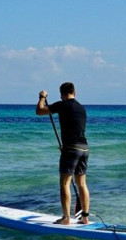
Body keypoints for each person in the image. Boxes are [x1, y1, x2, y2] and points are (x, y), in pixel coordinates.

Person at [35, 82, 91, 225]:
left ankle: (66, 218)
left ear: (62, 94)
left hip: (71, 149)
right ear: (75, 92)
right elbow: (74, 127)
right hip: (84, 148)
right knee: (82, 184)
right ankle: (85, 218)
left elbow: (40, 111)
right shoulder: (81, 108)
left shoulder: (63, 104)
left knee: (65, 183)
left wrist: (42, 97)